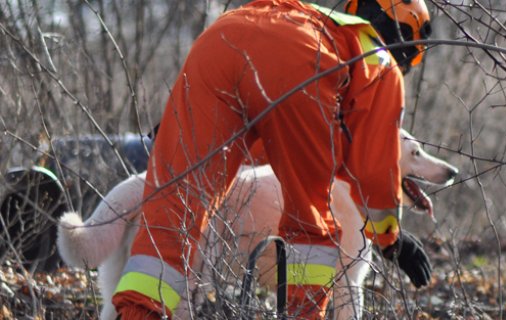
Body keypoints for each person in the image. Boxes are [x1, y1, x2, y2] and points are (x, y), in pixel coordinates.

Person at [110, 0, 432, 318]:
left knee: (174, 205)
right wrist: (391, 239)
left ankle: (138, 312)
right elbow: (373, 165)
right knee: (310, 217)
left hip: (222, 38)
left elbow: (261, 145)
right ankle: (302, 314)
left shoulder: (309, 18)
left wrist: (184, 125)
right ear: (405, 44)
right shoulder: (379, 62)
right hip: (301, 60)